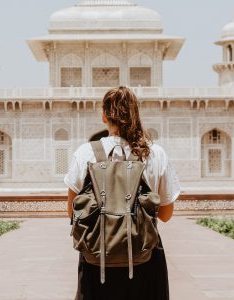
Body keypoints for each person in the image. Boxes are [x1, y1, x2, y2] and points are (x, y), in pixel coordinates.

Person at [64, 86, 181, 300]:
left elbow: (72, 213)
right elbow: (165, 215)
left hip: (96, 260)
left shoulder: (85, 153)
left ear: (104, 116)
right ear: (136, 114)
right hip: (145, 258)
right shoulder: (155, 154)